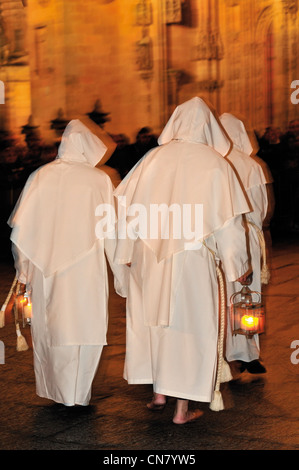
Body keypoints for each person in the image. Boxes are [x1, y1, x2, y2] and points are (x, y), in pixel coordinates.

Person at [113, 97, 252, 424]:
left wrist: (124, 256)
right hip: (191, 258)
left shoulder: (152, 158)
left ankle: (159, 392)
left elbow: (124, 213)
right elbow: (229, 225)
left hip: (149, 256)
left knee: (156, 325)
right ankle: (182, 408)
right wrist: (238, 267)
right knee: (190, 329)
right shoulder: (215, 164)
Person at [8, 118, 128, 407]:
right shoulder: (97, 179)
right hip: (84, 268)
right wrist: (120, 274)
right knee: (83, 327)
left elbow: (21, 229)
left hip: (44, 268)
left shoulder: (39, 175)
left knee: (49, 328)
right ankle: (78, 393)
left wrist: (24, 270)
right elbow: (110, 231)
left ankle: (55, 390)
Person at [219, 113, 274, 374]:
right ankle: (249, 353)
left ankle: (225, 352)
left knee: (222, 296)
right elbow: (262, 210)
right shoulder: (252, 166)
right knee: (248, 297)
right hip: (247, 237)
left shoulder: (213, 163)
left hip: (218, 240)